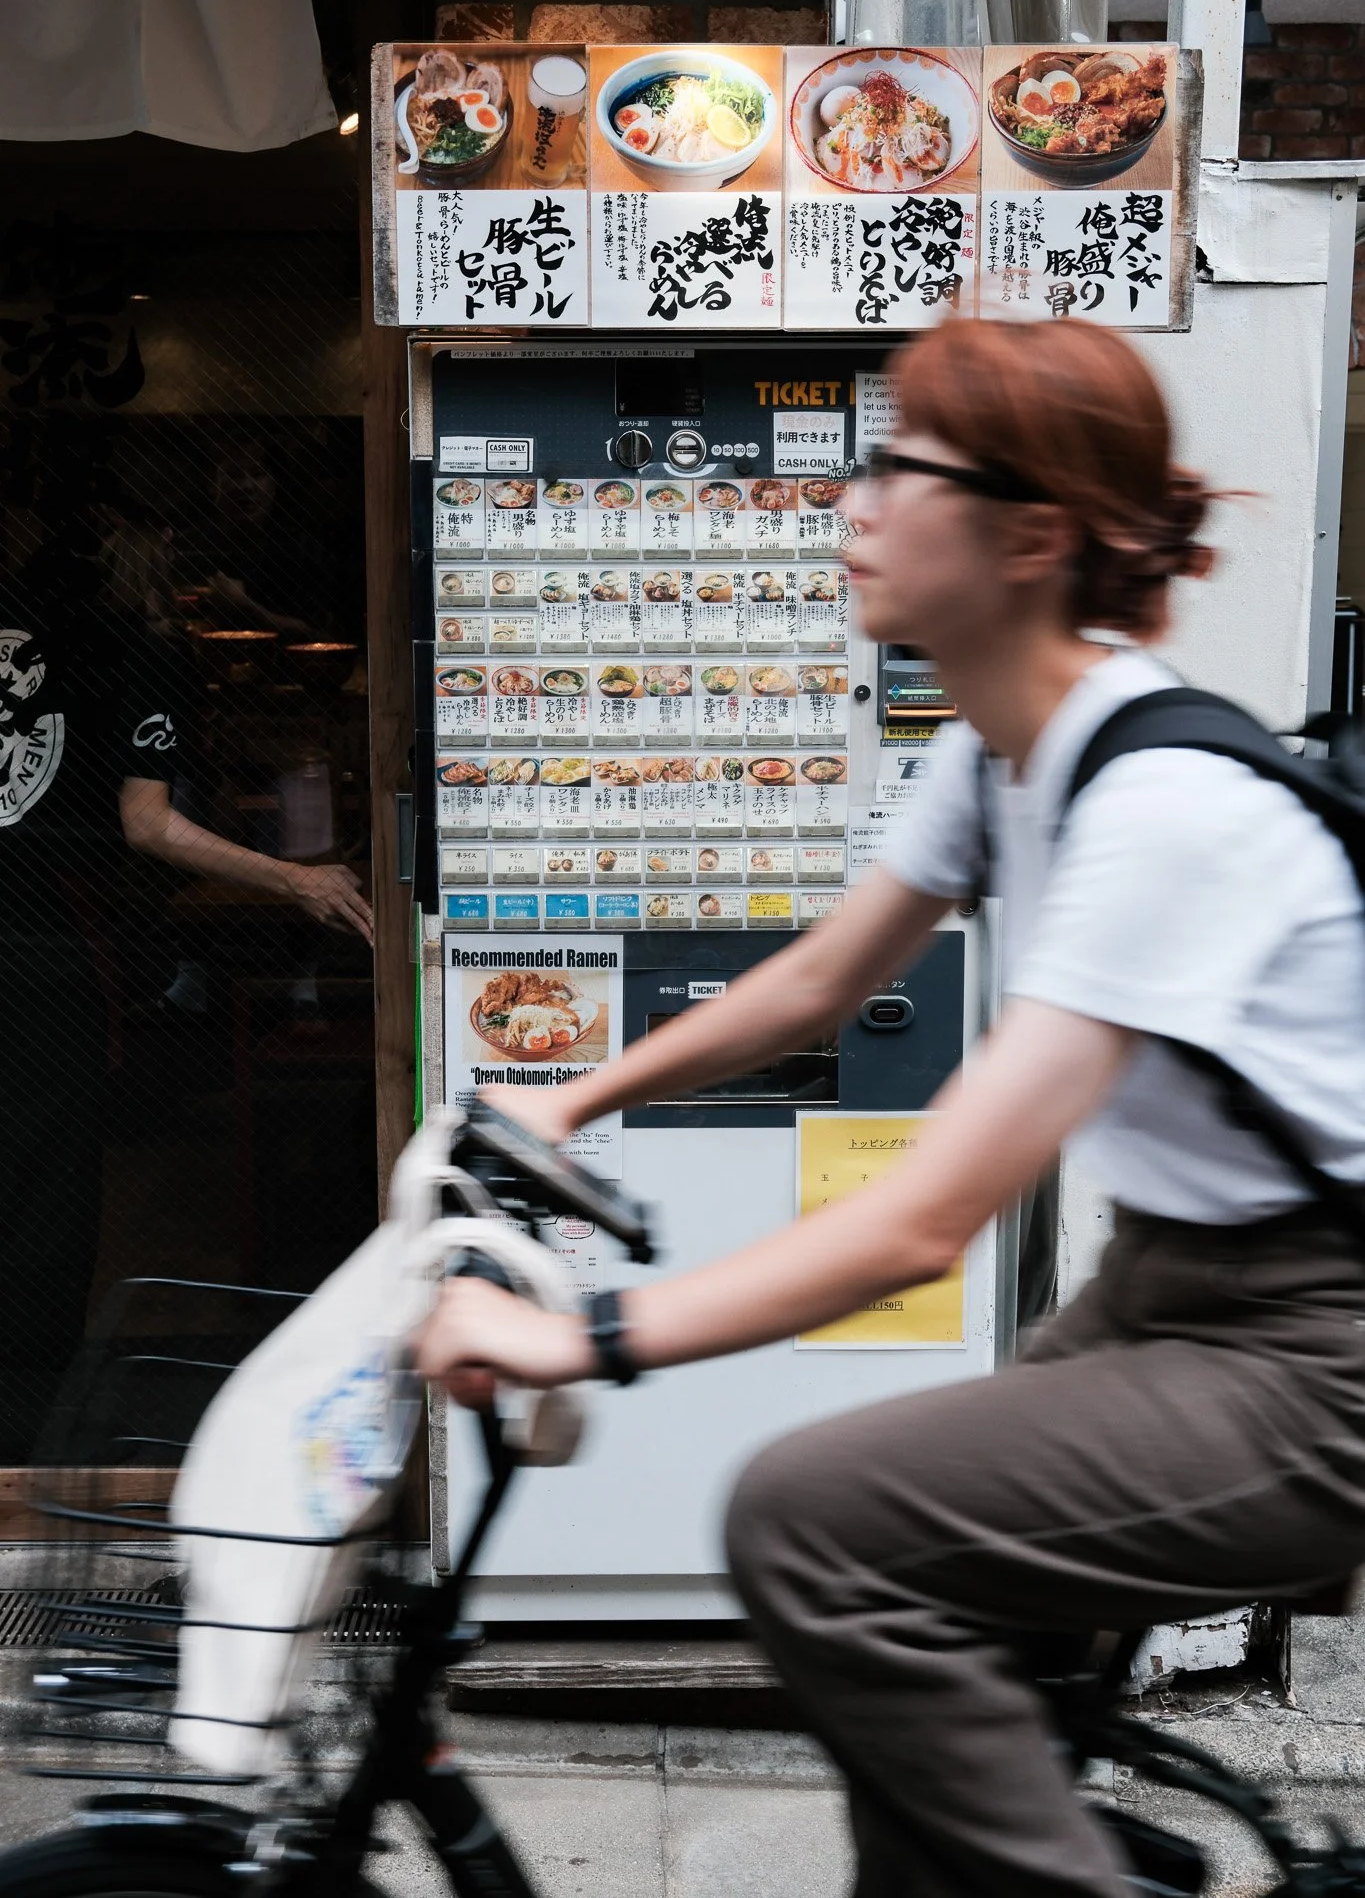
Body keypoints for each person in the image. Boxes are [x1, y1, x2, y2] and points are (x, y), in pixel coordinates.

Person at [415, 318, 1365, 1898]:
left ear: (1030, 536)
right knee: (938, 1639)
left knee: (814, 1518)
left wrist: (584, 1339)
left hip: (1313, 1357)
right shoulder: (1000, 756)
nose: (847, 507)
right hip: (1169, 1292)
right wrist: (559, 1100)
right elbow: (814, 988)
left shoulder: (1162, 805)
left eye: (896, 470)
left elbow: (928, 1215)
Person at [0, 517, 371, 1462]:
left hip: (37, 944)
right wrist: (300, 879)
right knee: (44, 1196)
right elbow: (147, 825)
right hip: (44, 957)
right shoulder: (132, 655)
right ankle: (26, 1433)